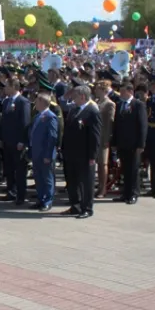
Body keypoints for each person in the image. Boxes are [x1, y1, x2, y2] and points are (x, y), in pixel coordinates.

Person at [61, 85, 102, 219]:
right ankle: (75, 205)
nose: (73, 98)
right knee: (72, 182)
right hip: (71, 153)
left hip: (85, 154)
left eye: (75, 96)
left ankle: (87, 208)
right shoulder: (74, 110)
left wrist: (93, 156)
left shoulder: (92, 112)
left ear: (83, 97)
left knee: (86, 183)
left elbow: (95, 136)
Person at [111, 82, 147, 204]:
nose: (120, 94)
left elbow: (142, 126)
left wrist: (141, 144)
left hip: (134, 144)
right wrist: (114, 142)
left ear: (130, 92)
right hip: (122, 143)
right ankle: (125, 193)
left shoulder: (138, 105)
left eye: (123, 92)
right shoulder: (120, 104)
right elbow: (116, 125)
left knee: (133, 170)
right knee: (125, 169)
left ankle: (134, 193)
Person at [0, 79, 31, 204]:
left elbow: (25, 123)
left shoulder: (23, 102)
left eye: (7, 86)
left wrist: (23, 141)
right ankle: (11, 191)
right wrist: (1, 138)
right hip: (7, 141)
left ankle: (21, 195)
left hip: (18, 143)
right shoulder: (6, 101)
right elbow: (4, 122)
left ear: (14, 87)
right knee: (9, 169)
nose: (5, 88)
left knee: (20, 170)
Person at [29, 93, 58, 211]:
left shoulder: (51, 117)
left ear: (42, 102)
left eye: (37, 101)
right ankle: (40, 199)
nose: (35, 103)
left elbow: (52, 137)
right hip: (36, 152)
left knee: (47, 178)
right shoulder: (38, 116)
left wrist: (48, 155)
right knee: (38, 178)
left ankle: (48, 201)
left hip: (45, 153)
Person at [94, 81, 116, 198]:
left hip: (103, 138)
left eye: (98, 89)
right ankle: (99, 186)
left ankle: (103, 188)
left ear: (103, 90)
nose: (95, 91)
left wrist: (107, 139)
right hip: (96, 136)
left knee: (103, 164)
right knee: (98, 164)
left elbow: (109, 124)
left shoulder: (109, 104)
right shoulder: (97, 102)